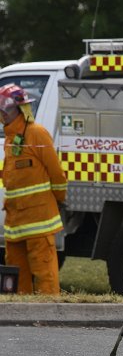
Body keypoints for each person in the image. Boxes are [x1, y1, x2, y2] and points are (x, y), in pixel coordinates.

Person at [0, 83, 67, 294]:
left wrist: (56, 199)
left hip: (40, 224)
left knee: (46, 280)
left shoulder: (37, 134)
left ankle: (49, 323)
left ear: (17, 110)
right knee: (16, 283)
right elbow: (12, 177)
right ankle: (22, 323)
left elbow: (57, 174)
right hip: (15, 226)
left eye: (4, 111)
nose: (2, 115)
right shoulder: (10, 139)